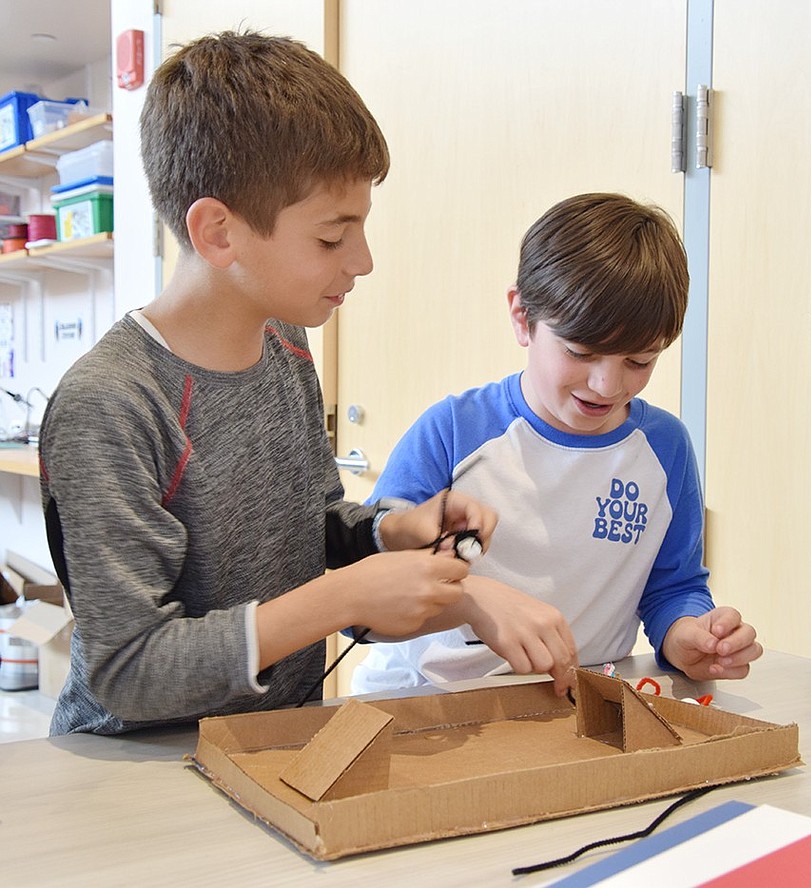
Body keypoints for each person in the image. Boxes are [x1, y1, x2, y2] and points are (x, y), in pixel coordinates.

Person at [38, 31, 505, 735]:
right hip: (134, 775)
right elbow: (127, 670)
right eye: (331, 237)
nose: (364, 260)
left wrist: (391, 531)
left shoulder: (287, 347)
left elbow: (307, 526)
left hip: (270, 747)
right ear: (218, 233)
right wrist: (341, 598)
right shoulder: (113, 402)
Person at [351, 192, 763, 695]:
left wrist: (687, 635)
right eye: (581, 353)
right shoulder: (454, 431)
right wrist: (471, 599)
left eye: (639, 362)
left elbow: (672, 587)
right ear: (522, 318)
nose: (608, 386)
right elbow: (368, 590)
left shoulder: (664, 447)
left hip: (578, 702)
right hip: (423, 699)